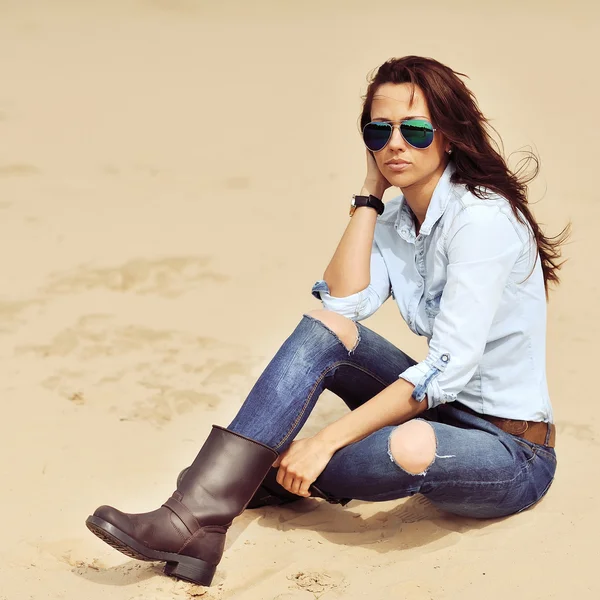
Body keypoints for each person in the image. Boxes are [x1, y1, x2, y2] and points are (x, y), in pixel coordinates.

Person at [86, 55, 569, 587]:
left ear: (449, 135)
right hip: (442, 408)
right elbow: (340, 305)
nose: (395, 144)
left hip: (510, 450)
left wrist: (324, 442)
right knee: (325, 331)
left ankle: (245, 480)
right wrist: (369, 196)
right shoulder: (397, 218)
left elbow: (445, 370)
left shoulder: (482, 220)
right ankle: (198, 517)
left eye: (415, 129)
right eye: (378, 130)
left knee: (408, 445)